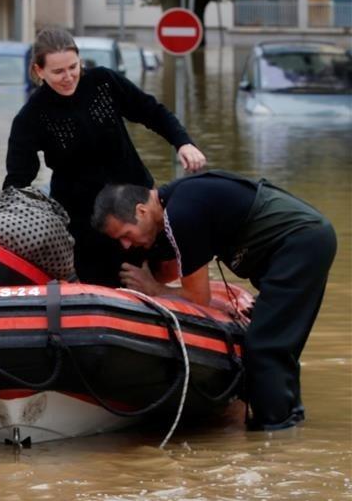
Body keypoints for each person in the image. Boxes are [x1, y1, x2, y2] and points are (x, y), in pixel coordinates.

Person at [91, 171, 336, 431]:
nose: (127, 246)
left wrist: (153, 289)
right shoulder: (179, 201)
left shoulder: (181, 213)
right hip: (303, 241)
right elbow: (180, 270)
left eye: (126, 235)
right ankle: (287, 422)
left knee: (264, 347)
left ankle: (276, 436)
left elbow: (198, 297)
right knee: (275, 342)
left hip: (297, 243)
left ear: (141, 211)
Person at [3, 27, 209, 287]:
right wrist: (3, 204)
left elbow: (151, 112)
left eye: (73, 67)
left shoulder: (104, 82)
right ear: (39, 71)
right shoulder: (30, 117)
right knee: (109, 284)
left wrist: (183, 143)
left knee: (163, 267)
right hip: (86, 222)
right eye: (58, 72)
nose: (68, 77)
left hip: (136, 200)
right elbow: (19, 178)